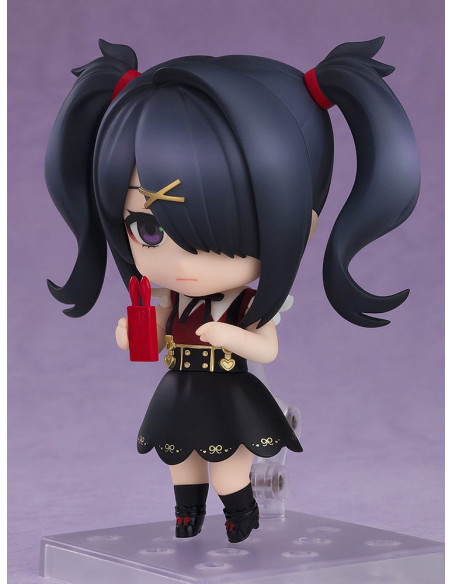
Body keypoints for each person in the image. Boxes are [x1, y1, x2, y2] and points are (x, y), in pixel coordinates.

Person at [46, 37, 420, 542]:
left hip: (230, 395)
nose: (181, 262)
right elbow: (154, 336)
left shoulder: (244, 304)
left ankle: (241, 517)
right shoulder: (171, 299)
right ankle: (187, 517)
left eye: (225, 232)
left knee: (227, 472)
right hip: (180, 390)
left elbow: (267, 347)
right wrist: (134, 333)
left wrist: (233, 337)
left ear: (299, 224)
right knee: (180, 465)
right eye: (147, 228)